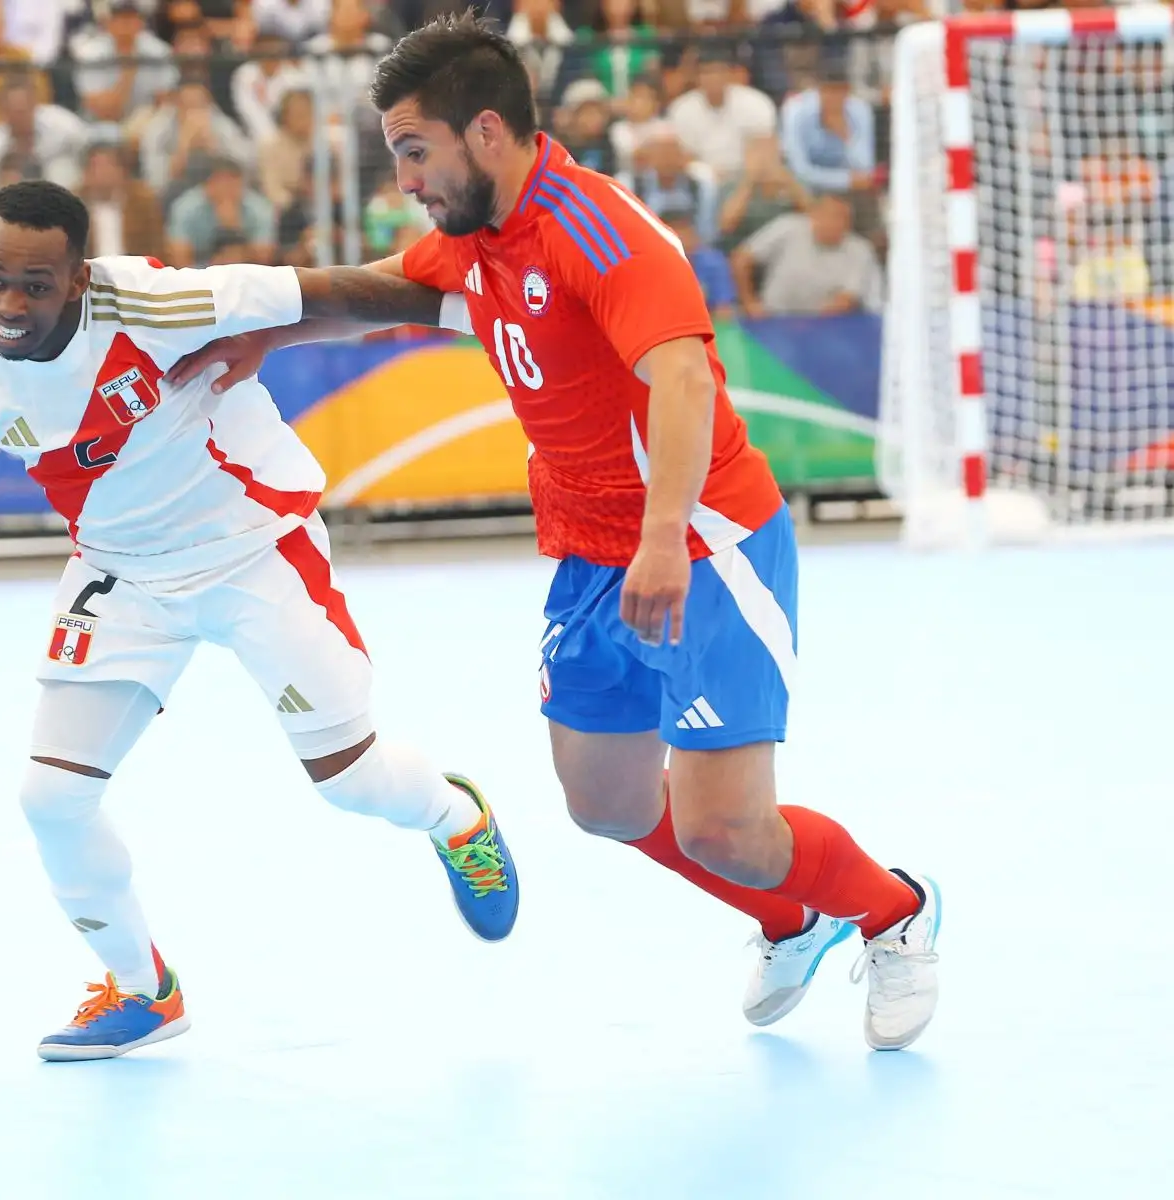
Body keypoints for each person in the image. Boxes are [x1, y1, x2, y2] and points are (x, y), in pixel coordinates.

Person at [166, 13, 942, 1052]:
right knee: (610, 806)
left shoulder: (598, 230)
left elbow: (678, 379)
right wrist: (273, 326)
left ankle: (896, 912)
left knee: (726, 828)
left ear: (486, 131)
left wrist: (664, 536)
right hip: (589, 554)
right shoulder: (481, 242)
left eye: (413, 150)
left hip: (704, 539)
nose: (405, 177)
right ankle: (784, 919)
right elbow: (393, 290)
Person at [0, 181, 519, 1062]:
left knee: (348, 780)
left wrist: (491, 315)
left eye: (34, 286)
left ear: (78, 280)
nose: (8, 305)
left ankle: (454, 818)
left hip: (253, 545)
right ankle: (141, 989)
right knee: (52, 798)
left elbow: (335, 293)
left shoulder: (159, 303)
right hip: (123, 575)